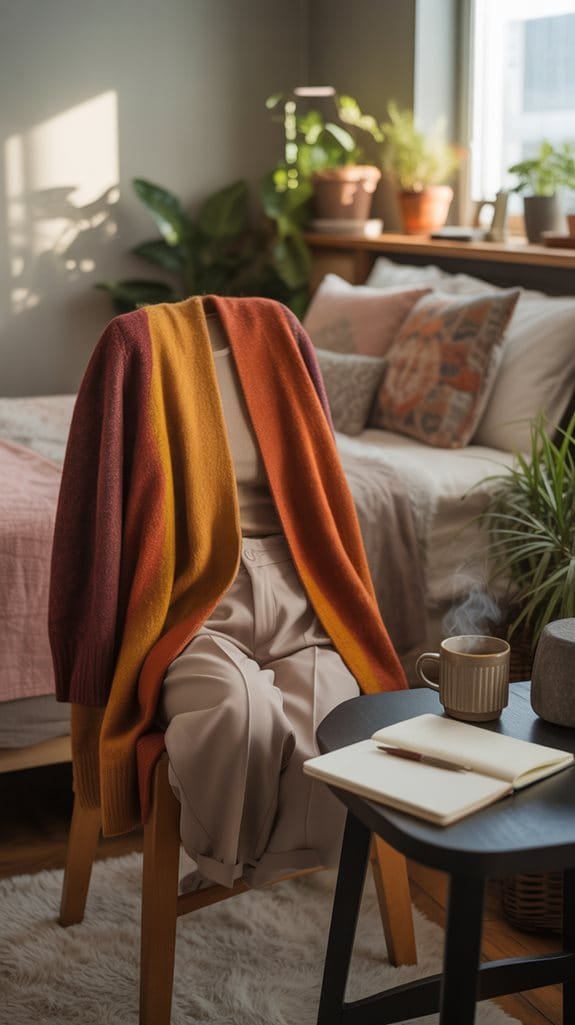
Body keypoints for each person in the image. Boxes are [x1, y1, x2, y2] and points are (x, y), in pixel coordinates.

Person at [49, 294, 407, 888]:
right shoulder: (132, 345)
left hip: (301, 589)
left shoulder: (283, 333)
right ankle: (225, 862)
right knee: (238, 715)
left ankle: (287, 858)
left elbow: (323, 474)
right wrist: (89, 654)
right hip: (194, 599)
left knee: (336, 720)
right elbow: (90, 512)